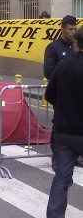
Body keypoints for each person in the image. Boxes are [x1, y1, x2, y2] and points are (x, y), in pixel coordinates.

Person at [45, 26, 83, 218]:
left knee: (61, 178)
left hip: (64, 130)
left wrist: (65, 107)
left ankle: (54, 215)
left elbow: (50, 94)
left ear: (77, 43)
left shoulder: (63, 65)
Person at [43, 15, 82, 169]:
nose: (73, 32)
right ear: (62, 29)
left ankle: (74, 155)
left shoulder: (76, 47)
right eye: (70, 29)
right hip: (61, 94)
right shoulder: (53, 48)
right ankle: (57, 158)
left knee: (76, 124)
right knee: (59, 124)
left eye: (75, 29)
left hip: (77, 94)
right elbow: (49, 72)